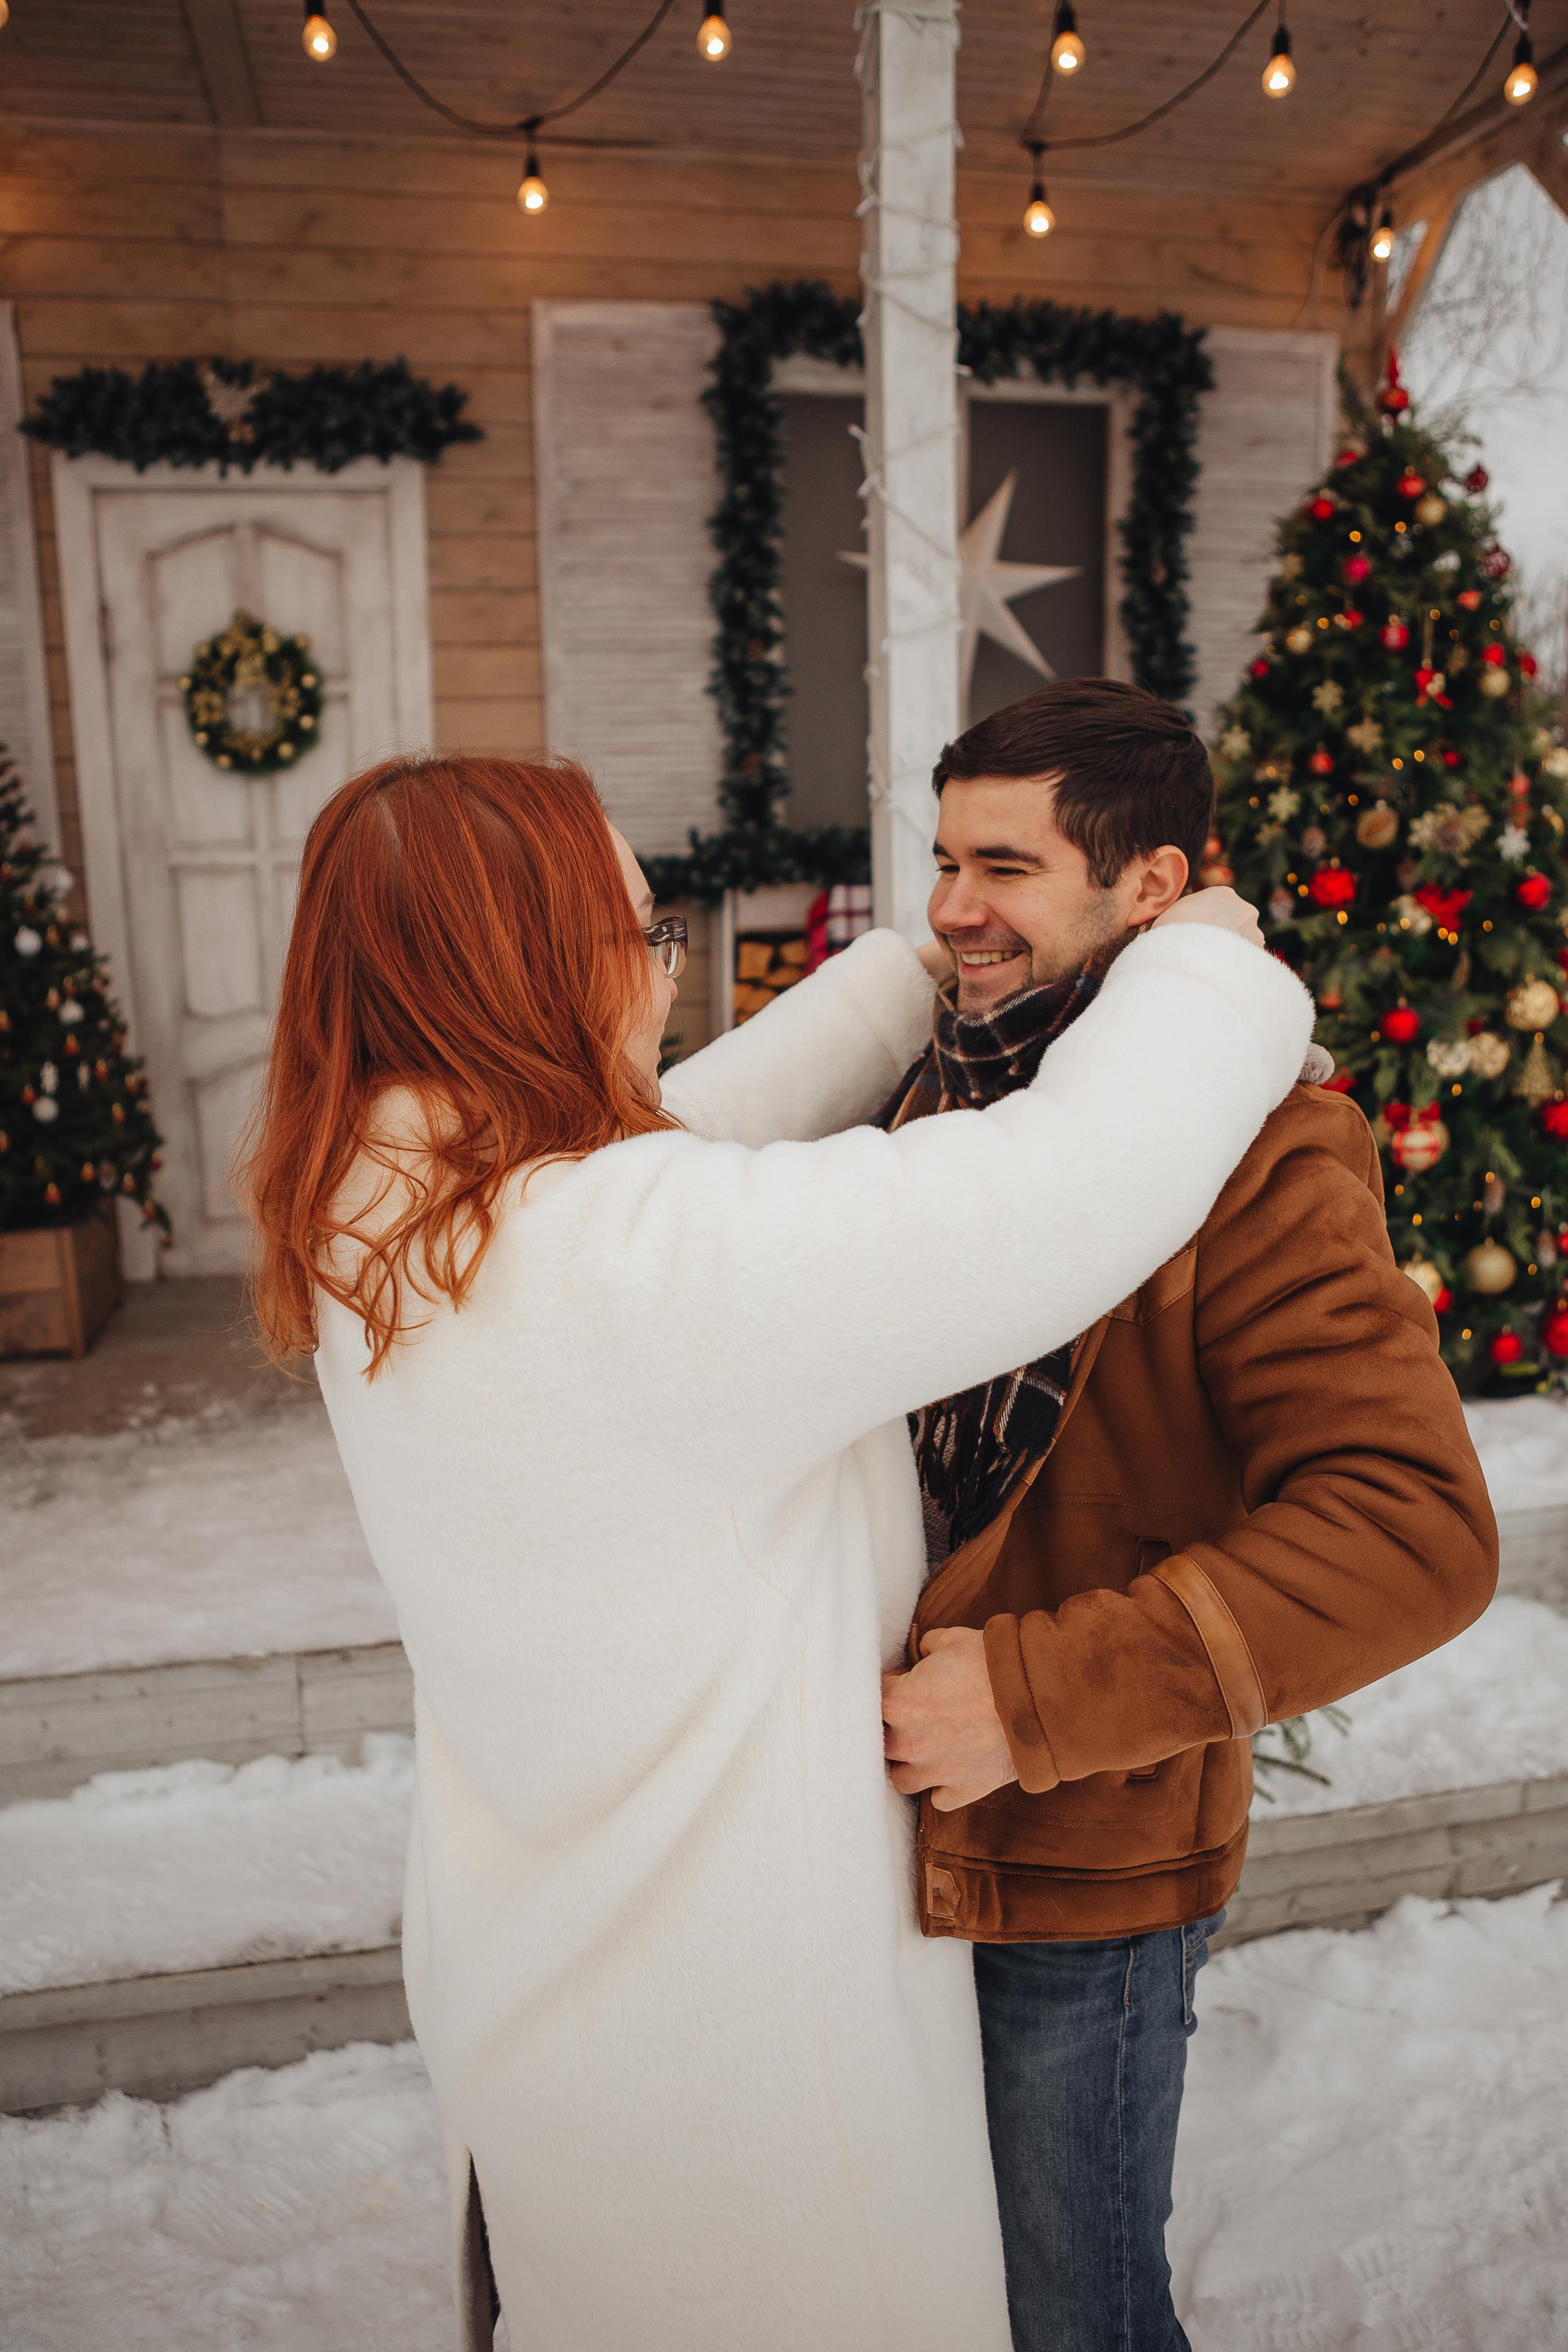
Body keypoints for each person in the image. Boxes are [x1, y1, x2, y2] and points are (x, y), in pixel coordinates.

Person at [243, 749, 1314, 2352]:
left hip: (550, 1996)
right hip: (747, 2084)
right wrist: (1214, 966)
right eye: (636, 927)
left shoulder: (384, 1204)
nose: (660, 964)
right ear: (540, 962)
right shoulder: (624, 1279)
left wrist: (910, 969)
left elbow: (677, 1141)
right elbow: (1064, 1189)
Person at [880, 678, 1499, 2352]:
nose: (950, 909)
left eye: (1003, 868)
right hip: (868, 1848)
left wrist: (1032, 1700)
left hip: (1080, 1867)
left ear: (1150, 886)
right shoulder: (931, 1089)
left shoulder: (1262, 1154)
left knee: (1070, 2319)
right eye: (942, 859)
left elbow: (1416, 1528)